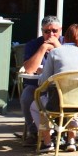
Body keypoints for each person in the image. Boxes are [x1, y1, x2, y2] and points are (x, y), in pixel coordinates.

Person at [32, 23, 78, 153]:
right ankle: (71, 140)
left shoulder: (55, 52)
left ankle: (48, 142)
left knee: (35, 106)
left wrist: (40, 74)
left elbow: (44, 81)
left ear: (66, 37)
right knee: (74, 106)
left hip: (56, 102)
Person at [19, 15, 63, 143]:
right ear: (42, 31)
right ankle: (33, 132)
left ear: (60, 30)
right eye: (47, 31)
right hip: (37, 85)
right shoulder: (33, 44)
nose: (51, 34)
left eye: (54, 31)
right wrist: (42, 49)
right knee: (26, 96)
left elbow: (67, 64)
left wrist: (57, 47)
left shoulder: (65, 43)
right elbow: (29, 69)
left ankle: (61, 132)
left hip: (60, 87)